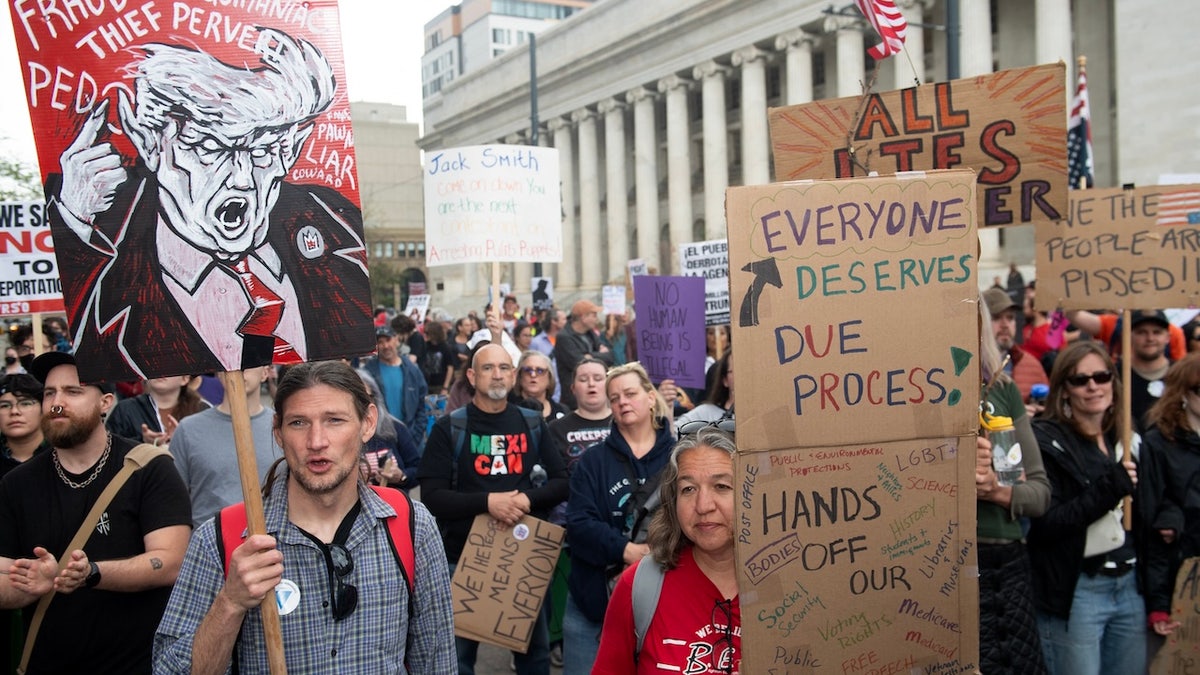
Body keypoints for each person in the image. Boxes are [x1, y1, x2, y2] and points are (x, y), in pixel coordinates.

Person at [48, 28, 374, 380]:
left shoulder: (335, 224)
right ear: (150, 142)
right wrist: (73, 224)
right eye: (209, 148)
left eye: (263, 150)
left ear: (290, 149)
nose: (242, 178)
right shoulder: (96, 245)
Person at [153, 360, 455, 673]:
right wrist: (230, 603)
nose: (316, 442)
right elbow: (170, 670)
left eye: (335, 420)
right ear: (278, 432)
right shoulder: (222, 540)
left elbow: (436, 661)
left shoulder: (411, 525)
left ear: (367, 423)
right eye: (298, 423)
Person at [0, 352, 192, 672]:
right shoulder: (16, 485)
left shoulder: (149, 468)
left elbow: (170, 562)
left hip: (137, 664)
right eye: (50, 393)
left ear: (105, 402)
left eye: (73, 392)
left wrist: (91, 573)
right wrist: (28, 587)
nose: (57, 403)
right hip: (47, 662)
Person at [418, 343, 569, 675]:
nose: (497, 374)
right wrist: (489, 503)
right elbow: (431, 496)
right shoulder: (449, 428)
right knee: (457, 659)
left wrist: (526, 500)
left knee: (535, 655)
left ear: (513, 375)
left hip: (523, 556)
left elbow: (562, 482)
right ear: (472, 376)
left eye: (504, 367)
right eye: (487, 368)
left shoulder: (532, 423)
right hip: (464, 557)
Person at [1028, 341, 1143, 675]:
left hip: (1130, 585)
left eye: (1102, 376)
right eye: (1080, 380)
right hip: (1079, 591)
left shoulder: (1128, 438)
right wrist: (1110, 489)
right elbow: (1046, 524)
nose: (1093, 386)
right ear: (1064, 390)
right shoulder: (1047, 442)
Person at [594, 426, 741, 673]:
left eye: (722, 486)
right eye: (688, 489)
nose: (703, 505)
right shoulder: (640, 585)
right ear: (673, 502)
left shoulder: (794, 586)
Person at [563, 362, 678, 672]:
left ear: (651, 397)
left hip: (663, 604)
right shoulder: (592, 461)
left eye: (630, 393)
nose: (622, 402)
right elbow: (579, 524)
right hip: (593, 605)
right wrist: (629, 551)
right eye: (614, 398)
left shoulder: (679, 459)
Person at [975, 297, 1051, 674]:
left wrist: (995, 488)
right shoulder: (903, 392)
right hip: (932, 567)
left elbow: (1038, 494)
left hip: (1001, 566)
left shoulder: (1000, 392)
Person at [168, 367, 282, 527]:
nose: (238, 369)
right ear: (218, 373)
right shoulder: (188, 429)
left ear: (265, 373)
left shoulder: (283, 428)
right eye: (228, 363)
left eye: (247, 364)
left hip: (275, 542)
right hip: (209, 546)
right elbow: (173, 503)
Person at [1138, 353, 1200, 640]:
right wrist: (1159, 605)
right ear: (1183, 393)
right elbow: (1154, 527)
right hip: (1181, 577)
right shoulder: (1158, 443)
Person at [361, 325, 429, 448]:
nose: (385, 346)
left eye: (388, 340)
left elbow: (422, 405)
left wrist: (416, 435)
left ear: (396, 340)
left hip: (412, 438)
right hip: (381, 439)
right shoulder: (368, 373)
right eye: (380, 342)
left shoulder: (412, 370)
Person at [356, 370, 421, 492]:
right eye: (353, 398)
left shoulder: (395, 428)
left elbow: (418, 469)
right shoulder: (338, 434)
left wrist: (401, 476)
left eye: (364, 397)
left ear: (375, 399)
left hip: (394, 506)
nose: (360, 404)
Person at [984, 287, 1049, 404]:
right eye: (996, 317)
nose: (1005, 325)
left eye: (1010, 318)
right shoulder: (968, 369)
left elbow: (1050, 411)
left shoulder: (1031, 365)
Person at [106, 374, 208, 446]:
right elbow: (109, 451)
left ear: (185, 379)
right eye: (153, 365)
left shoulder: (202, 410)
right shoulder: (125, 409)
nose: (160, 371)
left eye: (169, 364)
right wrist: (142, 442)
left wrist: (181, 442)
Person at [554, 300, 613, 408]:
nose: (597, 319)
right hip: (574, 400)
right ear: (583, 317)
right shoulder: (564, 337)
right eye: (594, 315)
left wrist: (589, 355)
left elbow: (610, 356)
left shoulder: (590, 333)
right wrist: (597, 355)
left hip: (595, 396)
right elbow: (579, 363)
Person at [0, 374, 49, 480]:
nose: (14, 411)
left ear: (43, 408)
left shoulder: (63, 454)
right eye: (4, 406)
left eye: (25, 403)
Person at [676, 350, 733, 428]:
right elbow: (673, 433)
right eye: (736, 370)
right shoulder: (704, 414)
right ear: (725, 380)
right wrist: (668, 407)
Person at [516, 350, 568, 423]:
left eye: (540, 371)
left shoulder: (563, 411)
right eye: (527, 370)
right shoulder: (508, 409)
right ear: (520, 376)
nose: (533, 375)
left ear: (549, 378)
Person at [422, 320, 457, 395]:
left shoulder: (445, 348)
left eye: (428, 333)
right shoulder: (425, 346)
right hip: (428, 383)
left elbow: (450, 368)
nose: (426, 335)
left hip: (441, 384)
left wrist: (445, 387)